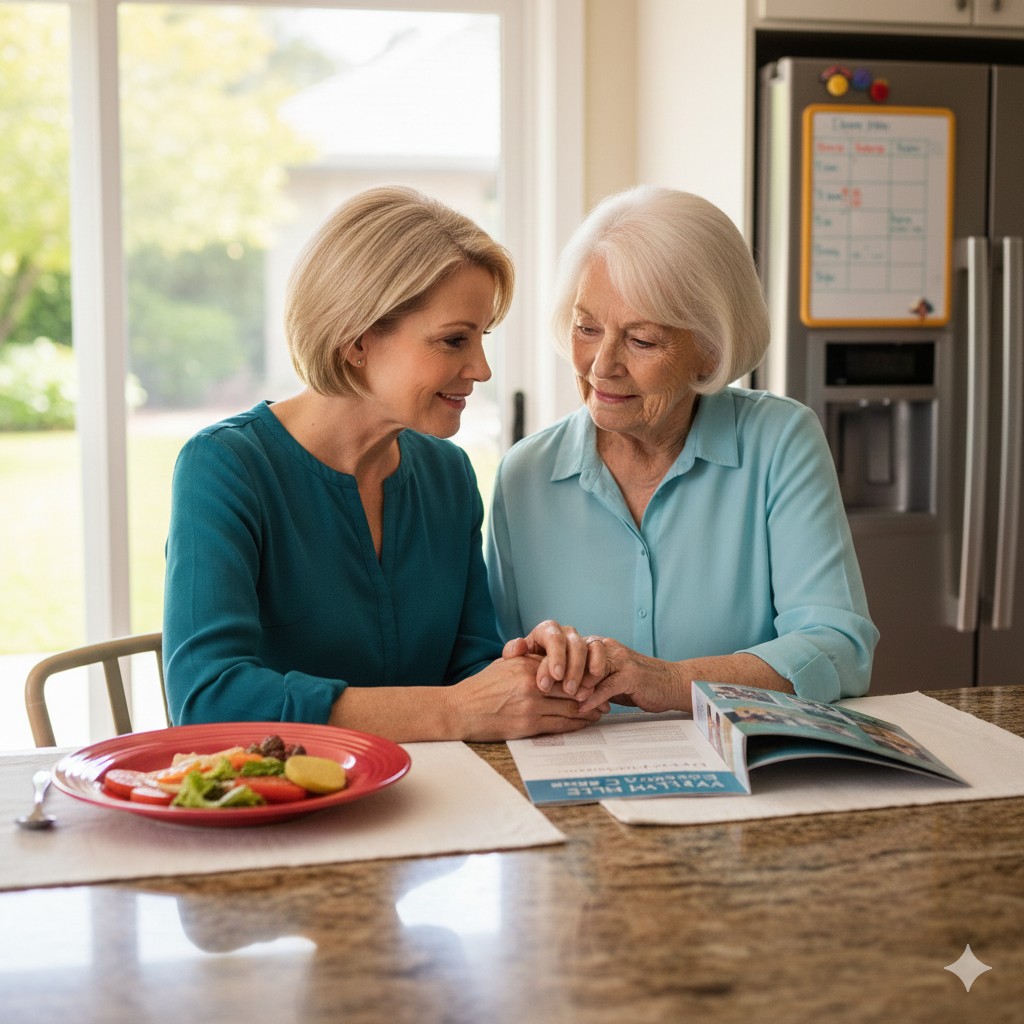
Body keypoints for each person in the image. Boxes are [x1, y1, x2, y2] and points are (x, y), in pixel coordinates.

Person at [163, 186, 603, 741]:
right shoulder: (225, 468)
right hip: (291, 811)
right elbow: (207, 699)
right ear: (356, 341)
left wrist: (530, 670)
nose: (482, 369)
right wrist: (449, 712)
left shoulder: (449, 476)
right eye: (453, 341)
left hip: (433, 799)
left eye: (481, 338)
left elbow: (469, 671)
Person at [487, 185, 878, 714]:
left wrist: (671, 681)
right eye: (587, 328)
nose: (602, 365)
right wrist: (531, 659)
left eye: (641, 340)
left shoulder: (780, 441)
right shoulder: (524, 474)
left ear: (710, 351)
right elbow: (494, 665)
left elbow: (839, 647)